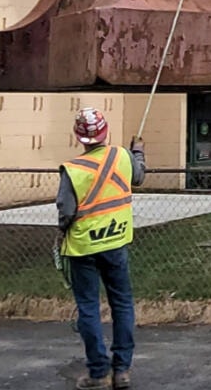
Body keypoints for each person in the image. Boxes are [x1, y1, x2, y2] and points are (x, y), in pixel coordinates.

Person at [57, 108, 147, 389]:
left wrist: (61, 232)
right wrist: (138, 152)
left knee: (88, 308)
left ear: (79, 138)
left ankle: (98, 373)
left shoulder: (73, 170)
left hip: (83, 247)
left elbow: (66, 210)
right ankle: (122, 371)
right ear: (106, 132)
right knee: (122, 304)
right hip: (116, 242)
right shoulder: (123, 156)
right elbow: (139, 176)